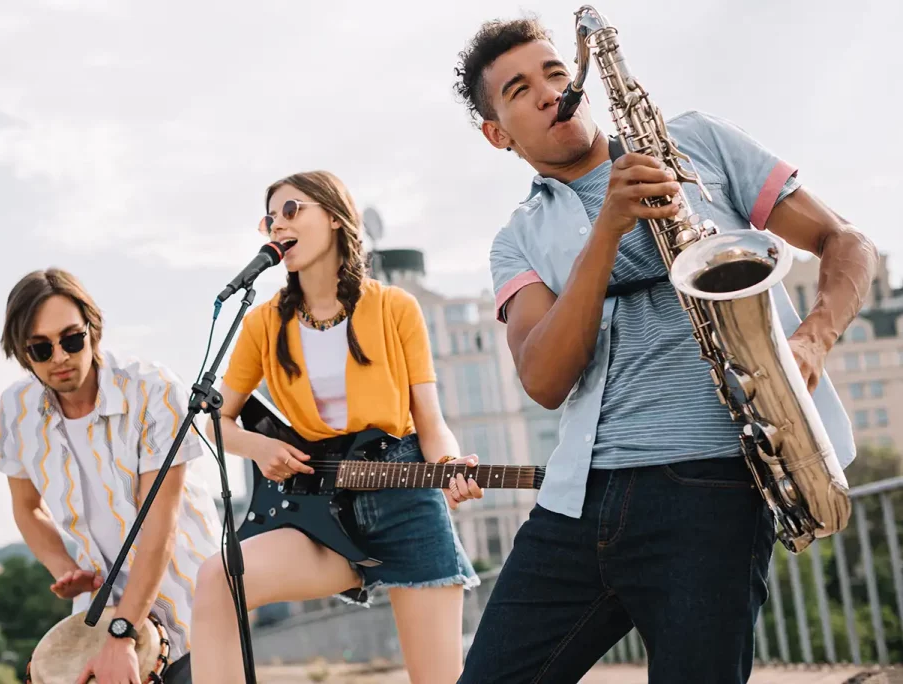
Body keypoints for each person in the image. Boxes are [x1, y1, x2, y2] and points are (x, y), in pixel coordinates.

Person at [450, 16, 878, 684]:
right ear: (497, 133)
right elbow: (543, 379)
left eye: (557, 73)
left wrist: (811, 341)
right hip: (576, 502)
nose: (548, 92)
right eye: (518, 89)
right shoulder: (518, 238)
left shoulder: (697, 142)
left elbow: (847, 243)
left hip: (713, 486)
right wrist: (609, 227)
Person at [190, 170, 482, 684]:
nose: (277, 225)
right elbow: (214, 423)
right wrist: (258, 447)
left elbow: (431, 426)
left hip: (405, 500)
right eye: (270, 217)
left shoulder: (395, 308)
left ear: (334, 216)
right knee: (219, 576)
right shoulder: (262, 324)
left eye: (292, 210)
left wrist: (449, 467)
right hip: (318, 510)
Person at [0, 268, 222, 683]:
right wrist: (64, 567)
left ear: (92, 330)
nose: (60, 356)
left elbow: (160, 527)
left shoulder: (153, 390)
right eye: (41, 348)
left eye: (71, 339)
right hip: (98, 621)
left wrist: (123, 632)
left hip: (191, 613)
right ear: (23, 353)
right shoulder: (15, 412)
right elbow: (27, 509)